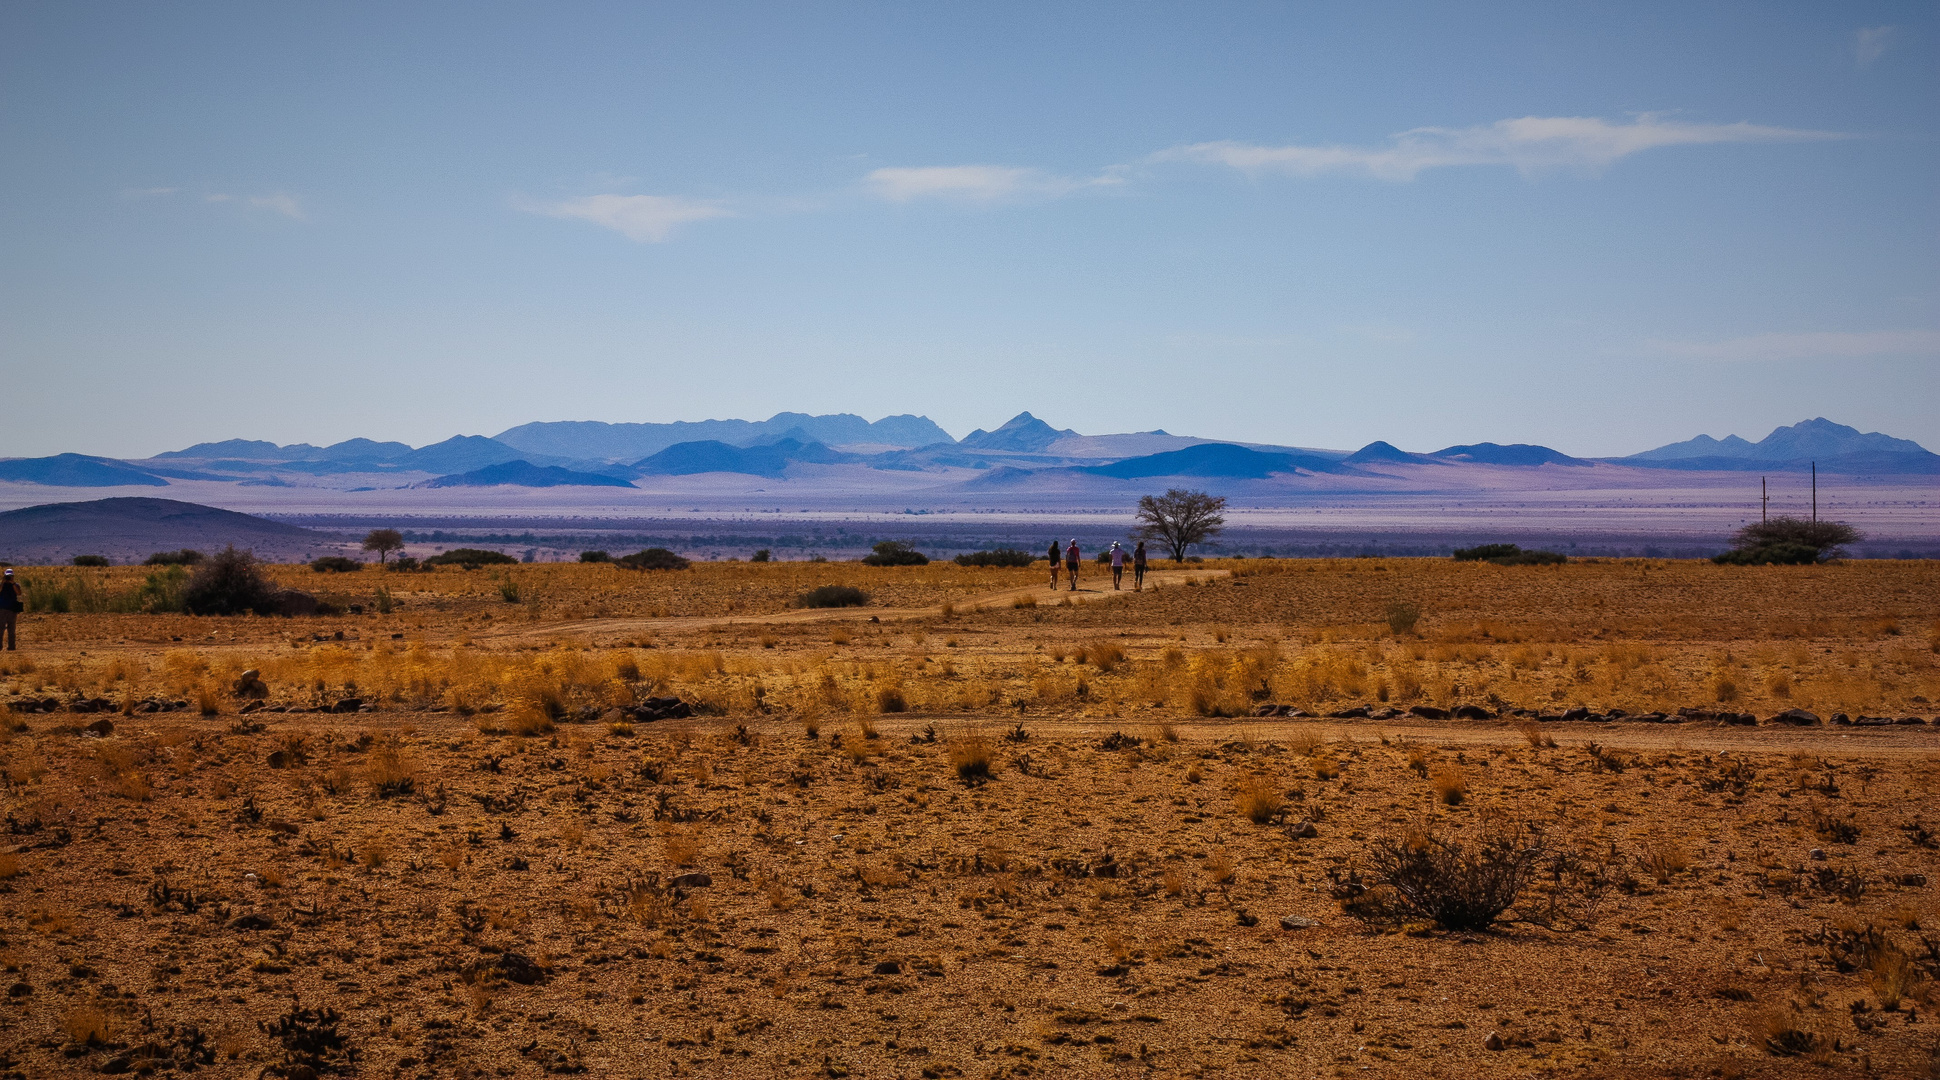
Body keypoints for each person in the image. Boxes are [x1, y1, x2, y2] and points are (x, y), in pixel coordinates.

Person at [0, 569, 21, 650]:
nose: (9, 577)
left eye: (10, 576)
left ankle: (11, 647)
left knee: (11, 630)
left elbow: (18, 593)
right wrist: (2, 582)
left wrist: (13, 583)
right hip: (2, 609)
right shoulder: (1, 584)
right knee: (0, 629)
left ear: (13, 576)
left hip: (12, 610)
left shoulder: (16, 585)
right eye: (7, 576)